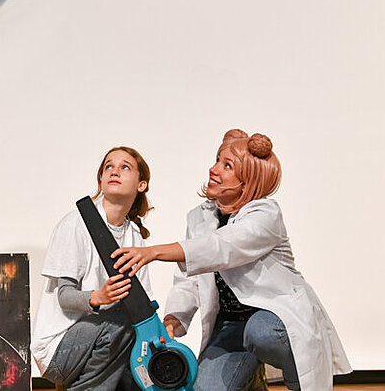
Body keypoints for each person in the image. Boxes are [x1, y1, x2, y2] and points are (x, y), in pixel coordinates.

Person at [111, 129, 351, 390]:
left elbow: (221, 247)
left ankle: (297, 384)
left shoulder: (265, 215)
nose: (213, 169)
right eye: (217, 160)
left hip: (274, 319)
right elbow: (189, 281)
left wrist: (153, 252)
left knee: (261, 334)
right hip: (230, 326)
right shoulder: (199, 217)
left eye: (227, 166)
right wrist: (173, 321)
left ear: (248, 181)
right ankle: (252, 379)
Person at [31, 146, 155, 391]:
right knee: (125, 322)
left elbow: (144, 304)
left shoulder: (133, 235)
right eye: (108, 167)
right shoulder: (75, 224)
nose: (114, 172)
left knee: (141, 336)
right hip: (58, 349)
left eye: (125, 167)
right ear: (101, 179)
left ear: (141, 184)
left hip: (104, 341)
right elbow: (64, 296)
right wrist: (99, 297)